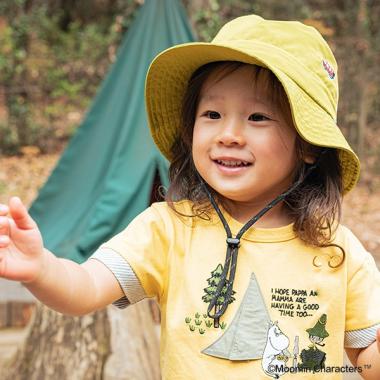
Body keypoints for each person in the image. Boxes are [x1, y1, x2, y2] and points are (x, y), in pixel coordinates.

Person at [0, 14, 379, 379]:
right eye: (212, 113)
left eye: (258, 117)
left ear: (309, 146)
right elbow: (86, 287)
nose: (228, 133)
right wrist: (42, 268)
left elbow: (366, 358)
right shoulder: (167, 229)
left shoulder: (335, 249)